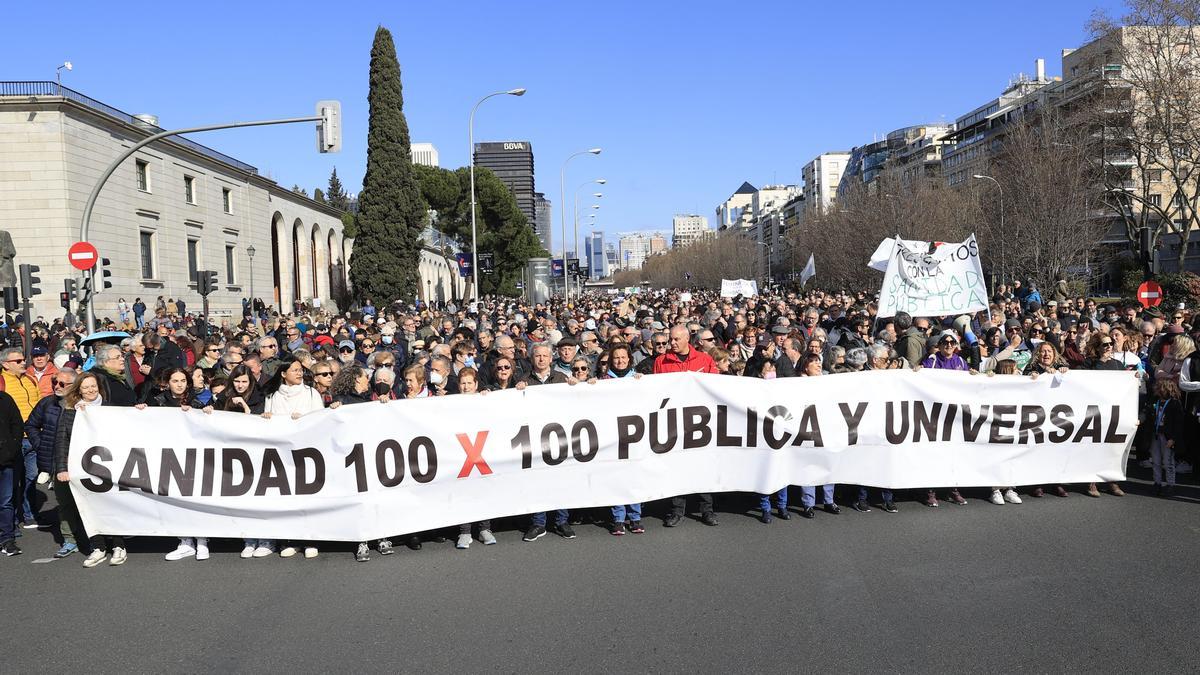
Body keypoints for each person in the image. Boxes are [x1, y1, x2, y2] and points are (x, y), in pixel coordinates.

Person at [54, 372, 127, 567]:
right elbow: (62, 442)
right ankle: (98, 547)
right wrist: (62, 468)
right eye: (85, 387)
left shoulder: (110, 410)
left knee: (112, 506)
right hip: (83, 469)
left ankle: (118, 546)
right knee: (90, 508)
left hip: (109, 468)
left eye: (93, 386)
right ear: (78, 390)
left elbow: (126, 433)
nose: (90, 390)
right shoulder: (70, 411)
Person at [262, 355, 325, 559]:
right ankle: (290, 539)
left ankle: (310, 539)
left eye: (300, 370)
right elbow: (266, 420)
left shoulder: (311, 393)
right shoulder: (272, 395)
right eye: (294, 370)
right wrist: (267, 418)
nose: (299, 373)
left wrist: (305, 420)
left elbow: (321, 420)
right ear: (283, 374)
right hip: (282, 453)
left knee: (307, 496)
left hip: (307, 452)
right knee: (286, 498)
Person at [655, 325, 719, 527]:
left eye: (675, 339)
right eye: (670, 339)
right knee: (677, 466)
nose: (671, 343)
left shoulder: (704, 359)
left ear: (686, 339)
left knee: (702, 467)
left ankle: (707, 510)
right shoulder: (661, 361)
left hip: (701, 421)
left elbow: (717, 387)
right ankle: (676, 510)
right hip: (674, 422)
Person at [25, 368, 77, 557]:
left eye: (62, 384)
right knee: (64, 503)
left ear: (74, 385)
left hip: (82, 462)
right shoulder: (48, 403)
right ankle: (69, 539)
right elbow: (30, 425)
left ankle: (93, 538)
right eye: (55, 382)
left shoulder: (84, 405)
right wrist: (42, 445)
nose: (56, 386)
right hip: (58, 463)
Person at [600, 345, 645, 535]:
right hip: (612, 436)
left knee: (633, 476)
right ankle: (618, 518)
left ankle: (635, 517)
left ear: (629, 359)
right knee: (616, 476)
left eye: (623, 357)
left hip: (635, 434)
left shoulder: (639, 379)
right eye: (616, 358)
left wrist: (642, 383)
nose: (620, 361)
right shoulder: (604, 381)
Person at [452, 368, 498, 548]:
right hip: (461, 450)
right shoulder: (450, 402)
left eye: (470, 383)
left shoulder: (483, 400)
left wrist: (487, 395)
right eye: (463, 383)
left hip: (481, 449)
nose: (466, 386)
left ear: (476, 384)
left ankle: (484, 528)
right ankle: (464, 532)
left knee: (482, 489)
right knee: (463, 492)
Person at [0, 347, 41, 530]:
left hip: (32, 436)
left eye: (23, 359)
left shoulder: (30, 379)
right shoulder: (2, 382)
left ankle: (29, 513)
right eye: (17, 361)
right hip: (12, 440)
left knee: (31, 477)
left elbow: (39, 405)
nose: (23, 362)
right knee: (12, 482)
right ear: (5, 365)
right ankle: (13, 520)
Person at [0, 374, 25, 557]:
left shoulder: (5, 399)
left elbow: (17, 425)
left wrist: (11, 449)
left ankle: (7, 539)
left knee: (6, 502)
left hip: (5, 459)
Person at [1150, 378, 1184, 498]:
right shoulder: (1156, 401)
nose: (1157, 390)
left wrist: (1173, 438)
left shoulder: (1175, 403)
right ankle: (1157, 483)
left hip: (1168, 437)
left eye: (1159, 388)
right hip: (1156, 435)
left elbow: (1179, 423)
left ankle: (1170, 485)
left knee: (1168, 462)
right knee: (1156, 460)